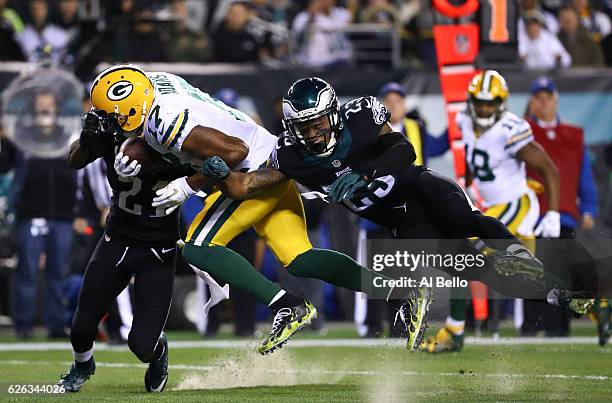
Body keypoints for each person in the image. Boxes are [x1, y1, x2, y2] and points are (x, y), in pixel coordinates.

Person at [200, 77, 595, 326]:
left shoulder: (360, 117)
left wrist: (363, 174)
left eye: (319, 123)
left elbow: (403, 150)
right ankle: (554, 292)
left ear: (333, 115)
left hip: (420, 188)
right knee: (473, 266)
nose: (315, 135)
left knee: (467, 220)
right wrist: (220, 174)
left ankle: (529, 261)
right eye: (305, 128)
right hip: (404, 224)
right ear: (292, 128)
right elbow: (245, 187)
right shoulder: (290, 156)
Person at [87, 65, 419, 355]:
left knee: (199, 247)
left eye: (113, 115)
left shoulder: (162, 120)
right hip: (272, 158)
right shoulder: (155, 87)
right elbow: (190, 144)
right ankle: (397, 290)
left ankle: (287, 305)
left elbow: (233, 151)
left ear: (132, 109)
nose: (110, 123)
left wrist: (187, 186)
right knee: (301, 258)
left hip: (254, 171)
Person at [56, 97, 196, 392]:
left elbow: (216, 165)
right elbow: (74, 159)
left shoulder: (178, 135)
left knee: (141, 345)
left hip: (158, 250)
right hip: (116, 239)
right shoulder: (114, 133)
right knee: (81, 328)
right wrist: (89, 138)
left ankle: (158, 352)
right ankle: (83, 364)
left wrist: (191, 183)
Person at [421, 70, 561, 353]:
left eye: (490, 102)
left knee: (463, 250)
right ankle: (596, 303)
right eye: (480, 102)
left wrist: (554, 213)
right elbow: (476, 156)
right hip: (490, 205)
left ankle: (455, 329)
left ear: (501, 103)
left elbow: (549, 168)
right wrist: (472, 184)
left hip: (514, 203)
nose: (484, 108)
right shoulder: (464, 120)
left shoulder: (509, 129)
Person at [525, 76, 602, 338]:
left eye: (548, 97)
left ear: (556, 101)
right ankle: (530, 327)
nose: (543, 103)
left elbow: (584, 176)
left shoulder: (573, 135)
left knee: (562, 275)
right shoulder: (523, 132)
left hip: (565, 216)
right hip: (533, 216)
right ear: (533, 102)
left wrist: (589, 207)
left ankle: (558, 328)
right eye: (539, 98)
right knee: (532, 272)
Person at [1, 90, 76, 340]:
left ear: (56, 110)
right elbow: (4, 166)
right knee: (27, 272)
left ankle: (56, 326)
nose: (45, 109)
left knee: (58, 273)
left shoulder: (66, 138)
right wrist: (4, 142)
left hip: (62, 216)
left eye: (49, 105)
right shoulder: (22, 139)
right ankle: (23, 326)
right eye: (41, 105)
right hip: (29, 214)